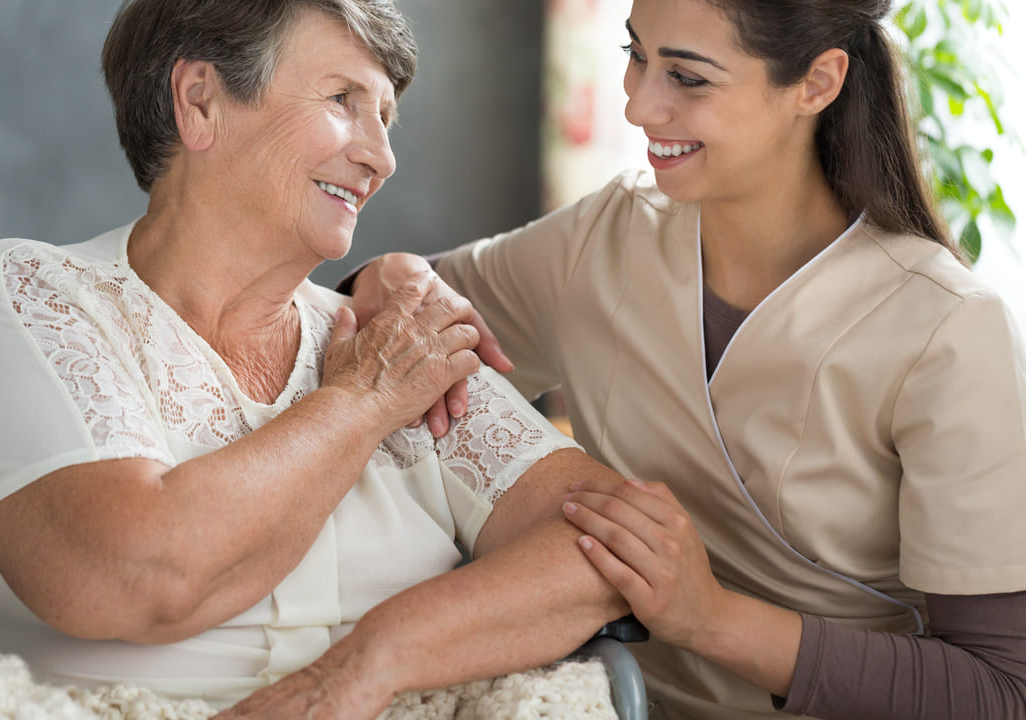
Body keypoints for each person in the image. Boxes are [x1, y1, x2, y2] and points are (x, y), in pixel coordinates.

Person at [0, 1, 635, 718]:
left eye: (386, 118)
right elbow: (128, 576)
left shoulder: (397, 336)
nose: (382, 156)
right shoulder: (28, 297)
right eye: (344, 100)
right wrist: (361, 401)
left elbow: (610, 540)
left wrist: (362, 670)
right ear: (201, 103)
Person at [346, 0, 1026, 717]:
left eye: (688, 78)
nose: (639, 105)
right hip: (600, 697)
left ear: (818, 84)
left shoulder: (949, 332)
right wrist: (389, 274)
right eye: (636, 54)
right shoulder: (606, 238)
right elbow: (393, 310)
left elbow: (1000, 691)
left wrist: (710, 618)